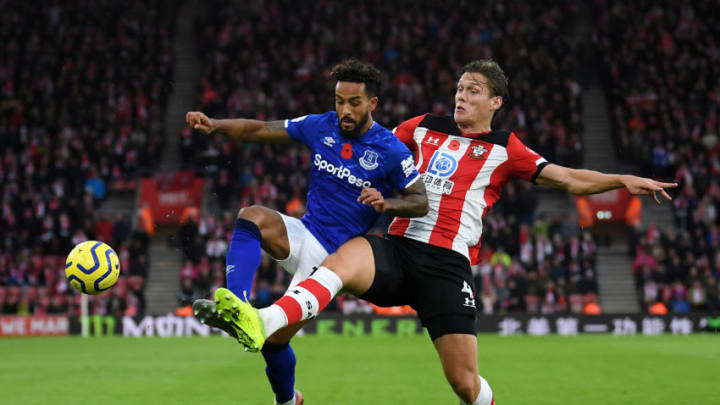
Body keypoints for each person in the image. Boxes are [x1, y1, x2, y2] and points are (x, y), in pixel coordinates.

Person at [215, 59, 677, 404]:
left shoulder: (506, 149)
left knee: (463, 383)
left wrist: (622, 179)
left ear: (495, 102)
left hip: (447, 265)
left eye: (474, 90)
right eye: (459, 88)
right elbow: (374, 149)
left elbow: (569, 179)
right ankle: (263, 320)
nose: (461, 96)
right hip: (395, 248)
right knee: (347, 256)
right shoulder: (420, 128)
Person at [185, 59, 428, 405]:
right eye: (339, 101)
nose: (344, 109)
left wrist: (387, 203)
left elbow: (421, 201)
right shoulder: (320, 126)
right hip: (304, 232)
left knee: (273, 342)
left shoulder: (389, 150)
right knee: (251, 216)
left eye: (354, 103)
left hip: (331, 264)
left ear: (372, 104)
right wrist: (215, 125)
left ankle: (287, 401)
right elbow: (259, 129)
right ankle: (237, 303)